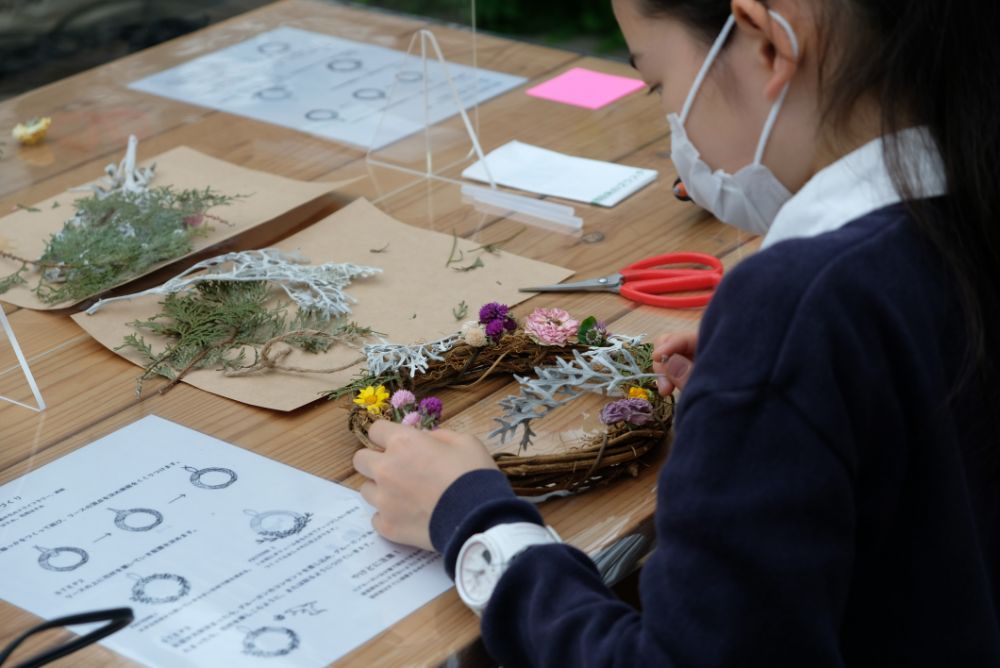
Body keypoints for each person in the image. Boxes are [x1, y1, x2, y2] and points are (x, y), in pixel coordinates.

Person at [352, 0, 1000, 664]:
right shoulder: (959, 212)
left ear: (768, 46)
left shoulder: (799, 307)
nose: (674, 128)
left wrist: (474, 521)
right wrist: (762, 406)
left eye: (660, 82)